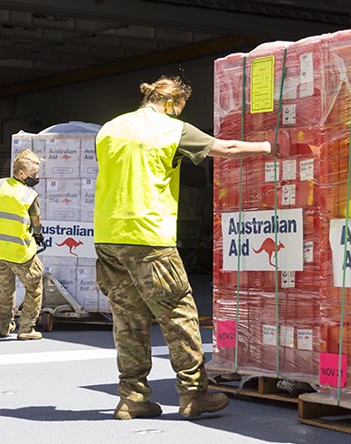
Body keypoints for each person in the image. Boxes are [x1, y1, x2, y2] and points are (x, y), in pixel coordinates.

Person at [94, 75, 277, 420]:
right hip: (148, 236)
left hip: (108, 236)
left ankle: (132, 398)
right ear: (169, 104)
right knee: (179, 314)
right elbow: (226, 148)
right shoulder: (169, 128)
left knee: (128, 319)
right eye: (179, 109)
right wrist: (269, 147)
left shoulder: (110, 128)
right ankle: (193, 394)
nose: (178, 115)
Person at [0, 149, 44, 340]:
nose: (36, 178)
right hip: (20, 252)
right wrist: (38, 235)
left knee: (4, 287)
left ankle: (4, 327)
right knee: (34, 286)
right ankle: (27, 329)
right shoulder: (29, 195)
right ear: (22, 174)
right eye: (33, 174)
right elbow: (36, 222)